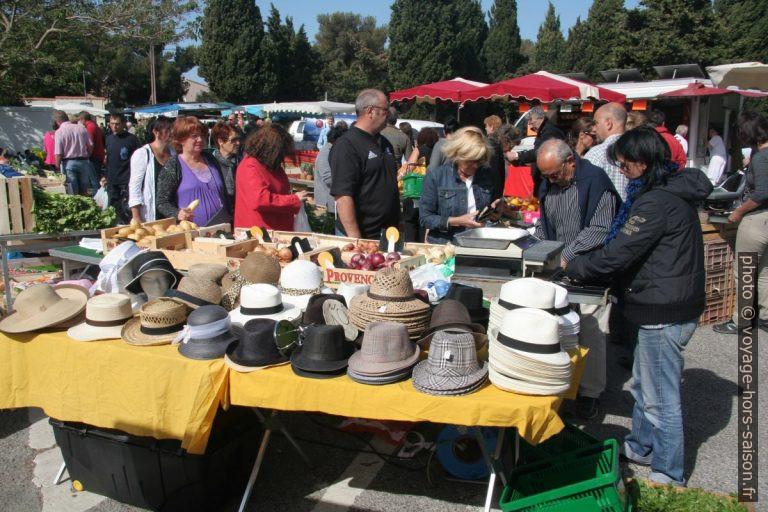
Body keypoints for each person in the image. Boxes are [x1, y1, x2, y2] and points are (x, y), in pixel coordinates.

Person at [566, 126, 712, 487]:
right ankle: (642, 447)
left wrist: (576, 266)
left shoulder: (654, 202)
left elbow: (619, 254)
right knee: (645, 386)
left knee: (660, 396)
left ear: (643, 163)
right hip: (668, 301)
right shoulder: (666, 191)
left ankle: (668, 473)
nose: (623, 170)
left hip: (664, 308)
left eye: (626, 164)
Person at [534, 138, 620, 419]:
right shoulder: (550, 181)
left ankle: (590, 392)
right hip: (558, 265)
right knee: (557, 323)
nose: (550, 180)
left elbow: (600, 228)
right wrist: (535, 245)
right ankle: (559, 383)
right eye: (545, 176)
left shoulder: (595, 181)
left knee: (590, 326)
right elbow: (543, 221)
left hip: (589, 265)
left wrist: (567, 254)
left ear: (571, 161)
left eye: (555, 174)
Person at [714, 112, 768, 335]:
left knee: (745, 271)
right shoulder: (760, 154)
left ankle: (741, 321)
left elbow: (762, 192)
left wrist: (738, 212)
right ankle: (765, 317)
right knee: (765, 271)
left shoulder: (761, 157)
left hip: (757, 218)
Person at [330, 88, 399, 239]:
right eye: (385, 110)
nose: (389, 114)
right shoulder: (347, 145)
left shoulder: (385, 143)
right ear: (370, 111)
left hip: (387, 235)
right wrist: (356, 239)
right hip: (362, 236)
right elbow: (343, 196)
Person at [419, 127, 496, 244]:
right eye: (471, 161)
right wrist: (457, 221)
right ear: (458, 155)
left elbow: (489, 209)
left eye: (479, 160)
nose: (476, 165)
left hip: (478, 243)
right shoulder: (436, 176)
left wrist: (495, 212)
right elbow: (425, 218)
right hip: (446, 244)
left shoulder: (486, 175)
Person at [157, 116, 230, 227]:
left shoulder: (211, 160)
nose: (200, 140)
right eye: (194, 136)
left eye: (202, 135)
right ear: (181, 139)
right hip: (192, 233)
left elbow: (224, 194)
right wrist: (177, 213)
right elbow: (161, 202)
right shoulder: (174, 165)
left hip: (222, 229)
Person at [235, 124, 306, 230]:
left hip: (277, 228)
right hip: (259, 231)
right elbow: (259, 199)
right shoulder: (250, 166)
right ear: (271, 149)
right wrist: (293, 200)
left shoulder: (271, 165)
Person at [505, 107, 566, 197]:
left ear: (541, 118)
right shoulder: (544, 130)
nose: (530, 124)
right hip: (543, 179)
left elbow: (539, 152)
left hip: (549, 179)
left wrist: (517, 155)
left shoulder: (549, 131)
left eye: (531, 120)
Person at [128, 116, 173, 223]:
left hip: (171, 212)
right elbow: (135, 187)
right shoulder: (142, 153)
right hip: (150, 214)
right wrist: (136, 217)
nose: (171, 133)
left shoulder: (173, 152)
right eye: (167, 130)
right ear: (156, 132)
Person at [585, 102, 628, 200]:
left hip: (605, 213)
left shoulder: (596, 154)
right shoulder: (637, 149)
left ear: (608, 123)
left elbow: (586, 192)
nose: (594, 129)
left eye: (596, 123)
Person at [105, 114, 141, 224]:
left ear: (123, 124)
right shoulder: (108, 139)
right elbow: (108, 160)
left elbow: (139, 159)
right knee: (113, 209)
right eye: (112, 124)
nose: (114, 127)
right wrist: (105, 177)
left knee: (127, 209)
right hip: (112, 180)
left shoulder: (132, 139)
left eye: (117, 124)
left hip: (127, 180)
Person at [54, 110, 92, 196]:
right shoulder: (81, 128)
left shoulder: (59, 132)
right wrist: (88, 155)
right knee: (85, 190)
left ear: (58, 122)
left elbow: (58, 153)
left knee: (72, 191)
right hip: (83, 161)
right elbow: (90, 145)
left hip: (68, 163)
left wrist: (57, 167)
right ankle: (86, 206)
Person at [314, 123, 348, 214]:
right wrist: (347, 181)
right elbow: (327, 178)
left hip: (332, 201)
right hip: (326, 203)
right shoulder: (325, 153)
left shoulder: (334, 151)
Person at [210, 121, 242, 212]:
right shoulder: (210, 164)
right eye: (233, 140)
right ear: (220, 142)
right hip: (218, 213)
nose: (238, 143)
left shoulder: (241, 162)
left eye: (238, 139)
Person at [78, 111, 105, 191]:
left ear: (83, 119)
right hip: (98, 154)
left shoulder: (90, 127)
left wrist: (87, 155)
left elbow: (90, 143)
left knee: (94, 179)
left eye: (80, 120)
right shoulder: (94, 126)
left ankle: (97, 196)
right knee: (95, 177)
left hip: (94, 156)